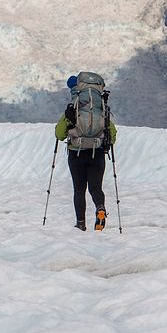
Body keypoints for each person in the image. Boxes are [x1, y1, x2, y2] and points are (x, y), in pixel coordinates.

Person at [55, 74, 117, 231]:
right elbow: (113, 135)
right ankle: (100, 208)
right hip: (97, 154)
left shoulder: (73, 110)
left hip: (76, 154)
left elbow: (59, 134)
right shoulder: (101, 110)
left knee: (79, 189)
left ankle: (81, 224)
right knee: (96, 188)